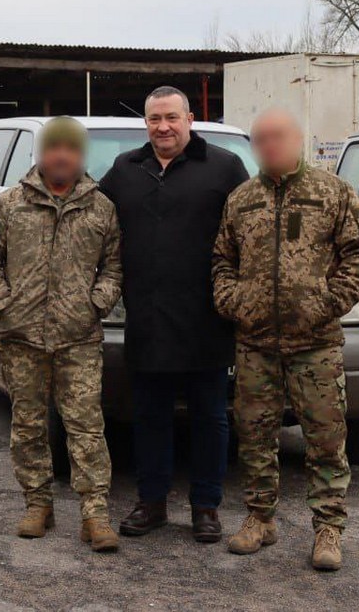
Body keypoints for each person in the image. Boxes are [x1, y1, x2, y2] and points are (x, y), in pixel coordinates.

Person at [211, 107, 359, 571]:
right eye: (261, 140)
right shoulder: (241, 199)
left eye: (278, 137)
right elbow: (222, 259)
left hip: (316, 343)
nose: (270, 146)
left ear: (298, 140)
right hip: (255, 343)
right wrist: (234, 301)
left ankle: (328, 529)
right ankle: (259, 518)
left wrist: (327, 301)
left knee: (325, 438)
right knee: (254, 435)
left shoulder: (332, 192)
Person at [99, 87, 250, 543]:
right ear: (145, 124)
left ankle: (206, 508)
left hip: (207, 320)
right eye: (153, 119)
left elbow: (252, 233)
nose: (162, 127)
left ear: (189, 118)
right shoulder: (126, 169)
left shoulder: (225, 167)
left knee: (210, 419)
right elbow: (89, 219)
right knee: (150, 418)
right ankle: (152, 504)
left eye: (170, 118)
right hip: (146, 319)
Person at [0, 116, 123, 553]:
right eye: (53, 147)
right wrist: (2, 301)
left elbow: (114, 266)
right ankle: (37, 504)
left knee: (87, 428)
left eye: (70, 148)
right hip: (21, 337)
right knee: (28, 425)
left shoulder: (101, 208)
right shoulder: (10, 204)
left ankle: (95, 514)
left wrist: (96, 303)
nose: (61, 156)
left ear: (80, 154)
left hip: (78, 338)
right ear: (40, 152)